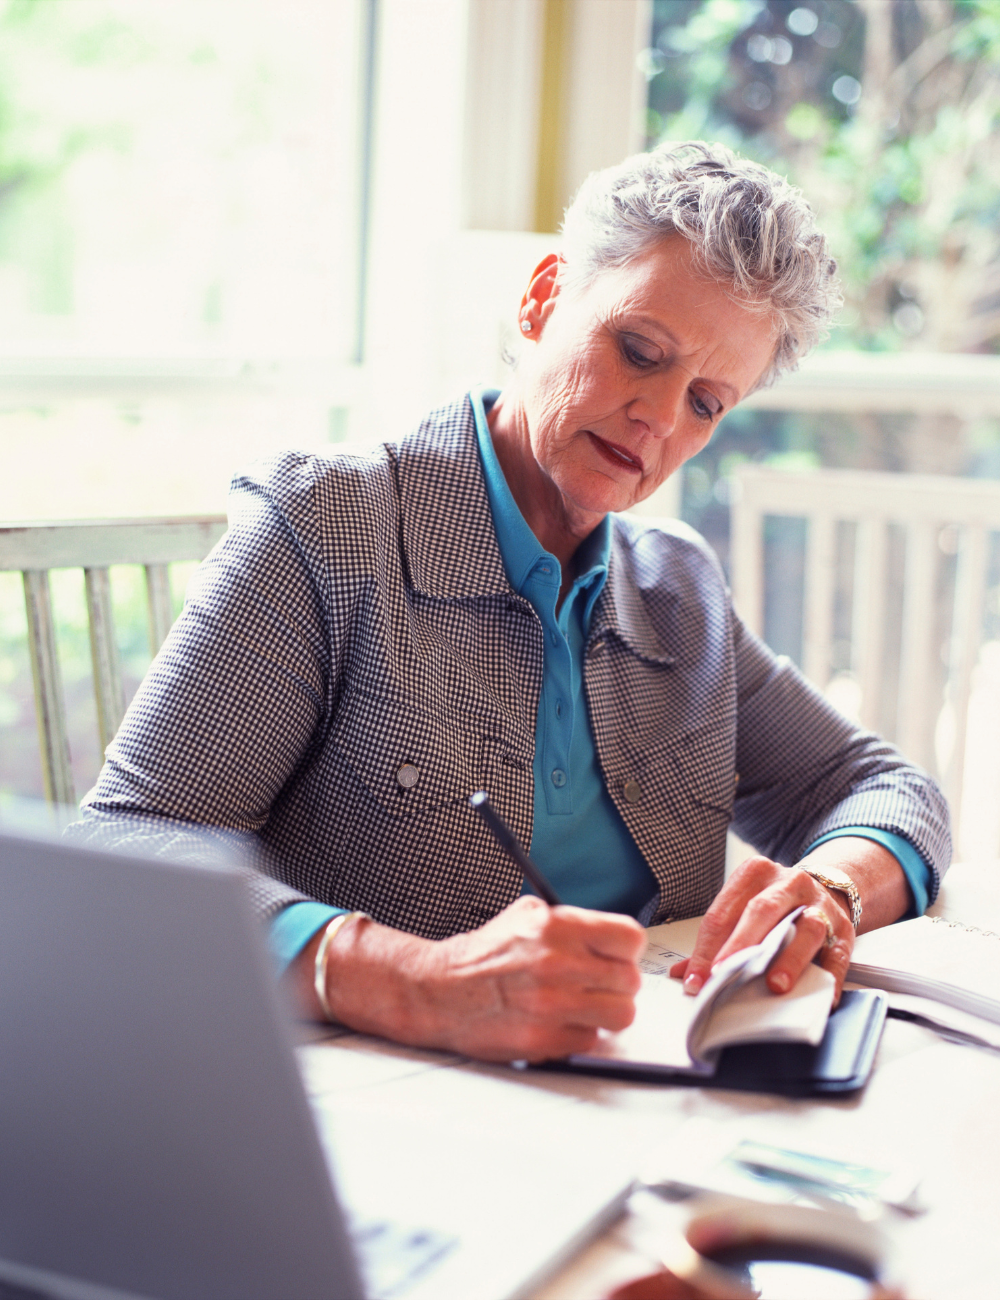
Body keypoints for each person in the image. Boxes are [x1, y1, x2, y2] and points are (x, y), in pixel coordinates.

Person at [76, 141, 949, 1063]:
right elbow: (136, 838)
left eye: (704, 402)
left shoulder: (679, 589)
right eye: (637, 351)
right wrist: (403, 979)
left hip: (640, 1086)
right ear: (542, 297)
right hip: (373, 1090)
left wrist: (836, 888)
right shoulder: (328, 527)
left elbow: (888, 790)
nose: (657, 416)